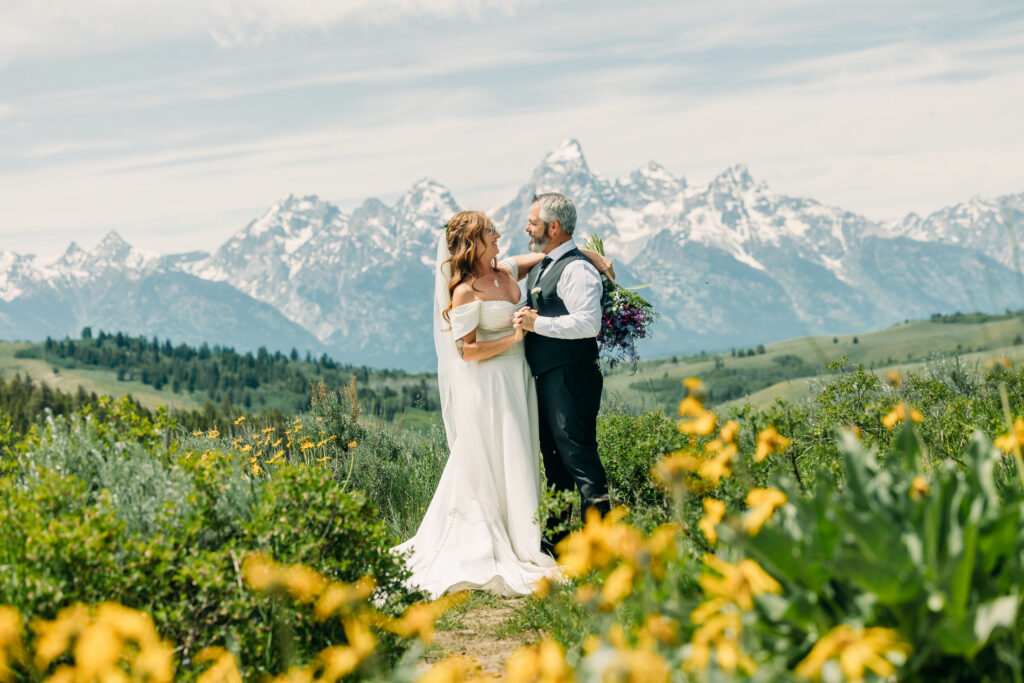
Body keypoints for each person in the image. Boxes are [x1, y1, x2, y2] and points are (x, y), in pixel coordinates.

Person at [392, 210, 613, 598]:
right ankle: (494, 540)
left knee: (521, 454)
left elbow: (555, 255)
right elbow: (466, 351)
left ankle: (524, 537)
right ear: (474, 241)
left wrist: (593, 258)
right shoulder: (464, 290)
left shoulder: (508, 271)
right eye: (491, 231)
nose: (499, 234)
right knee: (494, 456)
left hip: (520, 381)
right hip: (489, 384)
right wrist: (513, 341)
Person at [513, 193, 611, 557]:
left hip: (572, 377)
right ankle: (558, 542)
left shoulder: (576, 269)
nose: (526, 227)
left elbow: (588, 323)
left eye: (533, 222)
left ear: (553, 227)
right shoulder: (546, 264)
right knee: (554, 460)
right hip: (550, 377)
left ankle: (599, 547)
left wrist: (537, 323)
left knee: (579, 458)